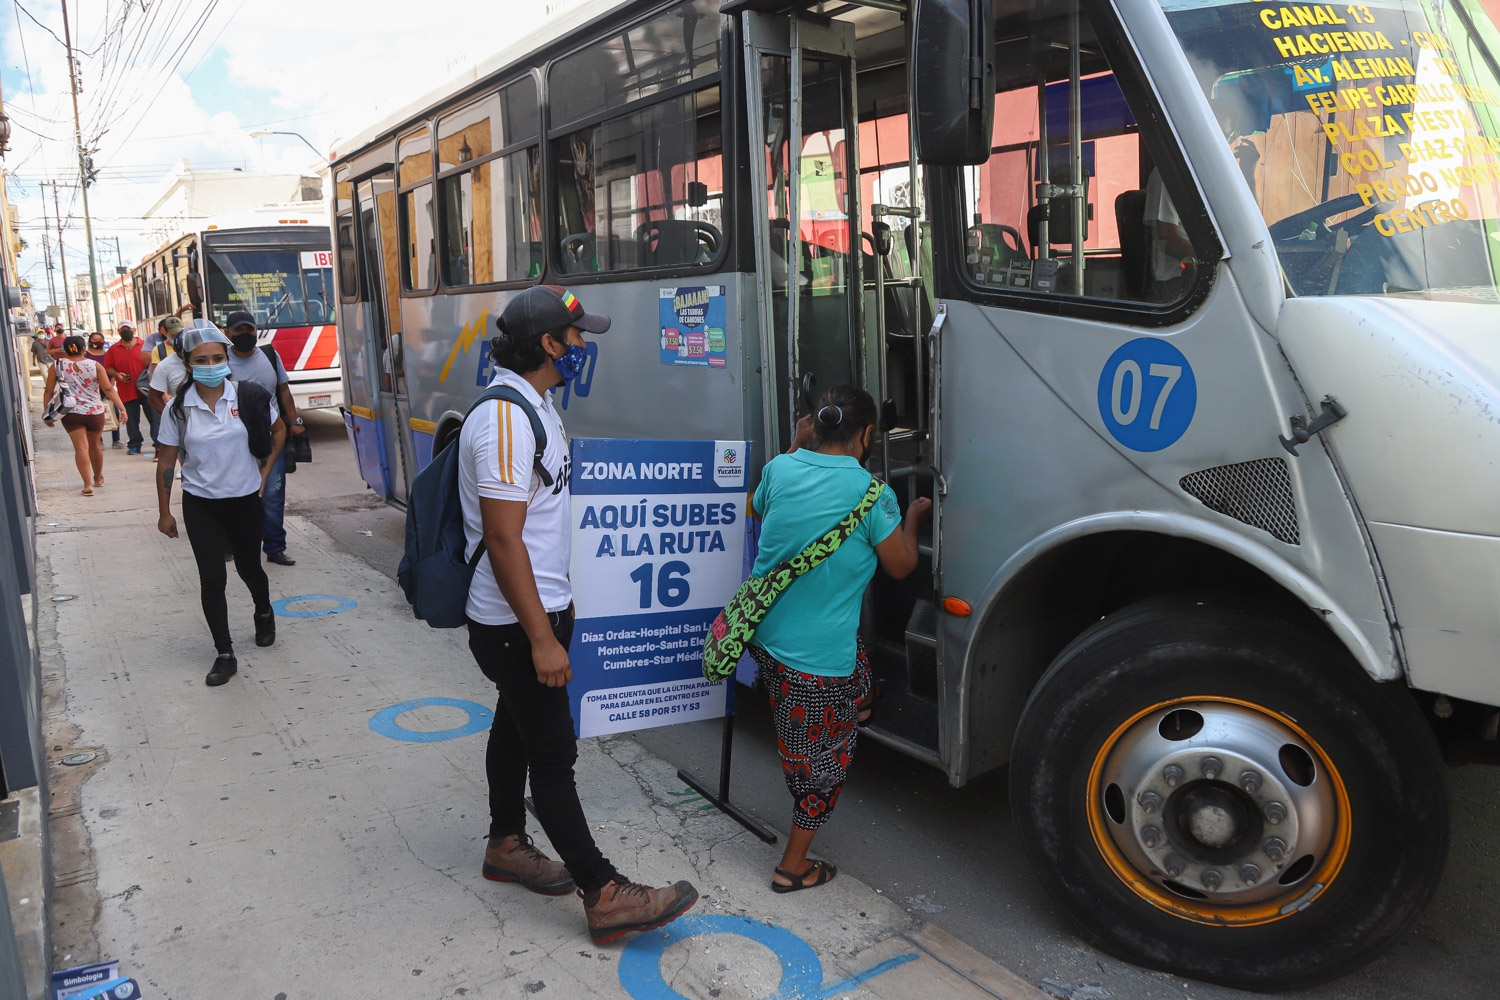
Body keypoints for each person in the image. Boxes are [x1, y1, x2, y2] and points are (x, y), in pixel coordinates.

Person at [460, 284, 697, 944]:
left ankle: (505, 843)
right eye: (575, 338)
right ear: (548, 345)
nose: (582, 347)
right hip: (515, 626)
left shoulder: (535, 406)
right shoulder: (507, 420)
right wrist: (542, 637)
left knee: (514, 729)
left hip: (536, 614)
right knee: (553, 755)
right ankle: (605, 892)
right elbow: (504, 538)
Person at [746, 384, 931, 892]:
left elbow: (758, 508)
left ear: (813, 426)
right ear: (869, 434)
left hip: (766, 636)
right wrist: (912, 519)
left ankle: (860, 703)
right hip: (816, 661)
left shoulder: (781, 469)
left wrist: (794, 444)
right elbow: (902, 564)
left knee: (860, 667)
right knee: (820, 768)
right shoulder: (873, 494)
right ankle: (793, 867)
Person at [154, 322, 285, 687]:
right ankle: (224, 653)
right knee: (212, 577)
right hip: (201, 504)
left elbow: (279, 431)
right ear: (188, 365)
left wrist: (265, 473)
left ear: (226, 358)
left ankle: (263, 610)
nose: (211, 364)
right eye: (201, 360)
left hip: (244, 500)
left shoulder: (248, 397)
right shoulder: (179, 409)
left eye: (217, 357)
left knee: (249, 568)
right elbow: (166, 462)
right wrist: (164, 511)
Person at [224, 310, 303, 565]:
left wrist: (295, 422)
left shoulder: (270, 355)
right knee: (233, 495)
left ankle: (274, 547)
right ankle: (233, 545)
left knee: (271, 493)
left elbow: (284, 390)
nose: (245, 335)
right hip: (233, 439)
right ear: (228, 333)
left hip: (270, 436)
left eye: (249, 330)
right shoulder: (221, 359)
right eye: (239, 331)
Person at [43, 335, 127, 496]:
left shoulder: (57, 365)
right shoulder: (95, 365)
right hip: (94, 412)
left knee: (81, 448)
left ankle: (87, 485)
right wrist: (121, 408)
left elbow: (48, 390)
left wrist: (47, 413)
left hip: (70, 412)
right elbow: (108, 389)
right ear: (84, 349)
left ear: (65, 349)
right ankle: (98, 477)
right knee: (95, 446)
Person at [103, 321, 149, 455]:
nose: (125, 331)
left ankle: (159, 445)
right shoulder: (113, 349)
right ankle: (134, 444)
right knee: (131, 421)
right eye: (122, 329)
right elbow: (108, 367)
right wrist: (117, 374)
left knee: (155, 418)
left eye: (128, 328)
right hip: (127, 391)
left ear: (134, 329)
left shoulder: (145, 345)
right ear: (118, 332)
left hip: (147, 390)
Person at [145, 315, 187, 458]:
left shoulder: (192, 352)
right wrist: (168, 408)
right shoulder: (160, 351)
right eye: (173, 333)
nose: (176, 337)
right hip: (169, 399)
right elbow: (155, 377)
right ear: (164, 332)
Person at [85, 332, 122, 450]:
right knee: (95, 415)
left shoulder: (107, 355)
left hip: (107, 389)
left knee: (114, 412)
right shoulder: (86, 355)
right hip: (91, 390)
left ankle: (116, 439)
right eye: (95, 339)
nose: (97, 341)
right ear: (90, 341)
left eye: (100, 339)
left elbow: (111, 371)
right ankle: (98, 441)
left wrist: (110, 387)